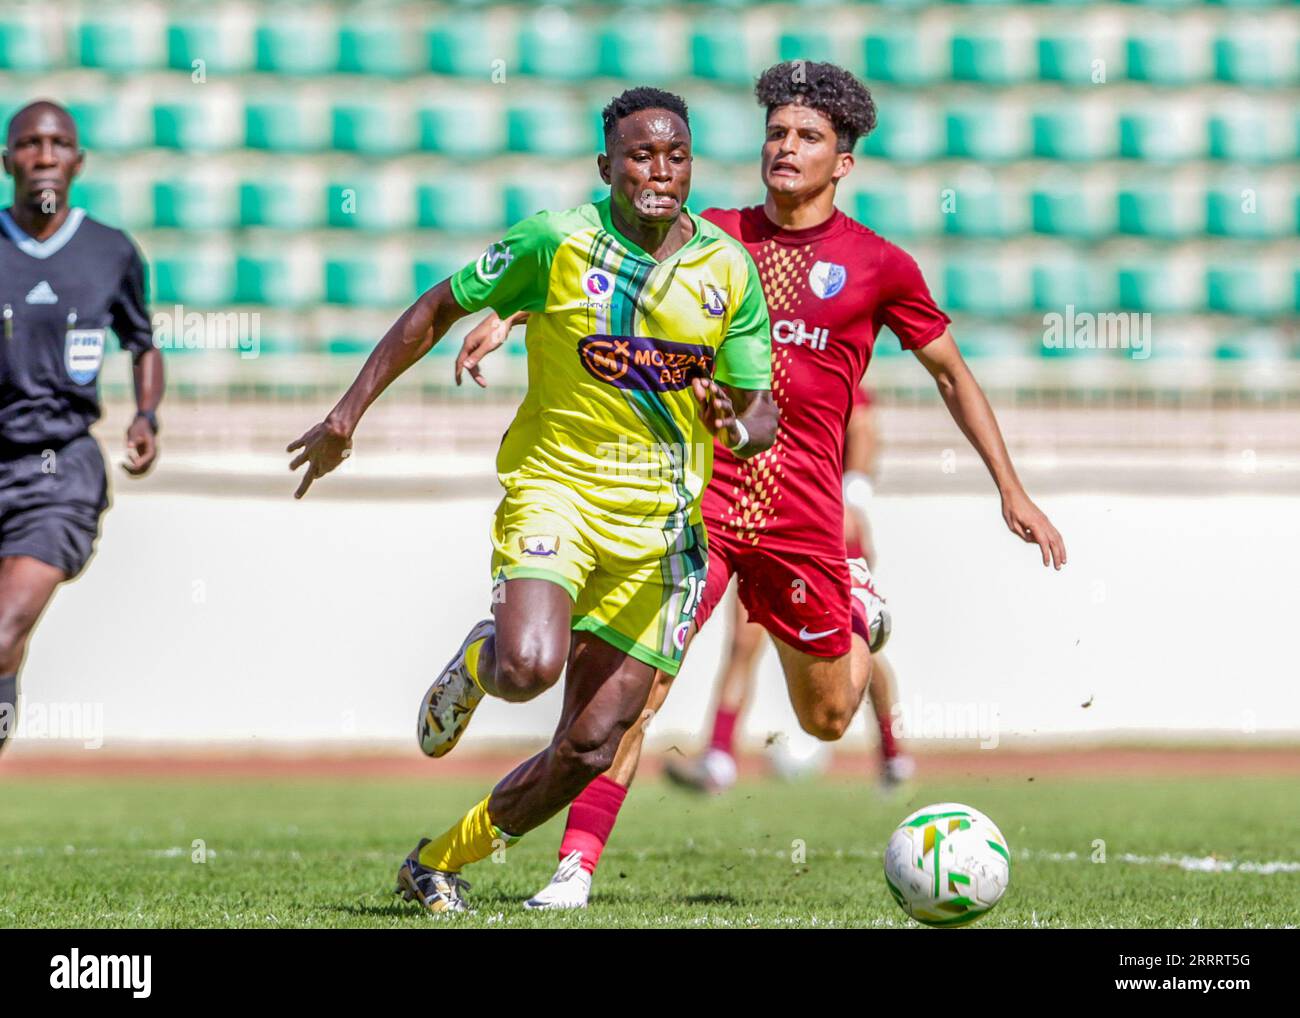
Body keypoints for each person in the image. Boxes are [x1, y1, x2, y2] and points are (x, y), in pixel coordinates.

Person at [458, 62, 1065, 910]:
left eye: (808, 137)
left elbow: (951, 376)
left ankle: (853, 603)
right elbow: (598, 268)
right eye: (776, 133)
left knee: (825, 717)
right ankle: (576, 868)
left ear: (842, 162)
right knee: (636, 696)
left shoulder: (878, 265)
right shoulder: (709, 233)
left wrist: (1012, 489)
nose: (785, 147)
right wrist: (509, 312)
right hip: (694, 503)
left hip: (802, 516)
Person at [287, 87, 777, 913]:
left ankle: (436, 862)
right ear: (606, 166)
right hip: (558, 496)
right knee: (525, 668)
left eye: (675, 156)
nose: (659, 171)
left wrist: (738, 423)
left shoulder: (727, 270)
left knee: (589, 747)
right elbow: (440, 306)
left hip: (661, 532)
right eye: (639, 155)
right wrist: (347, 412)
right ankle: (486, 656)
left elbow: (758, 409)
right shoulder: (557, 241)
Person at [0, 100, 162, 756]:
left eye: (58, 143)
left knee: (4, 626)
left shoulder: (110, 251)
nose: (44, 155)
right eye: (30, 143)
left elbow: (142, 342)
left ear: (77, 161)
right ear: (8, 159)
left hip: (60, 469)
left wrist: (145, 414)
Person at [663, 386, 915, 796]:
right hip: (759, 518)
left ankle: (892, 753)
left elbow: (864, 426)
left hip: (822, 524)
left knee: (854, 649)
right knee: (743, 640)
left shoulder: (820, 357)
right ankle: (719, 758)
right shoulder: (751, 364)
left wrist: (853, 496)